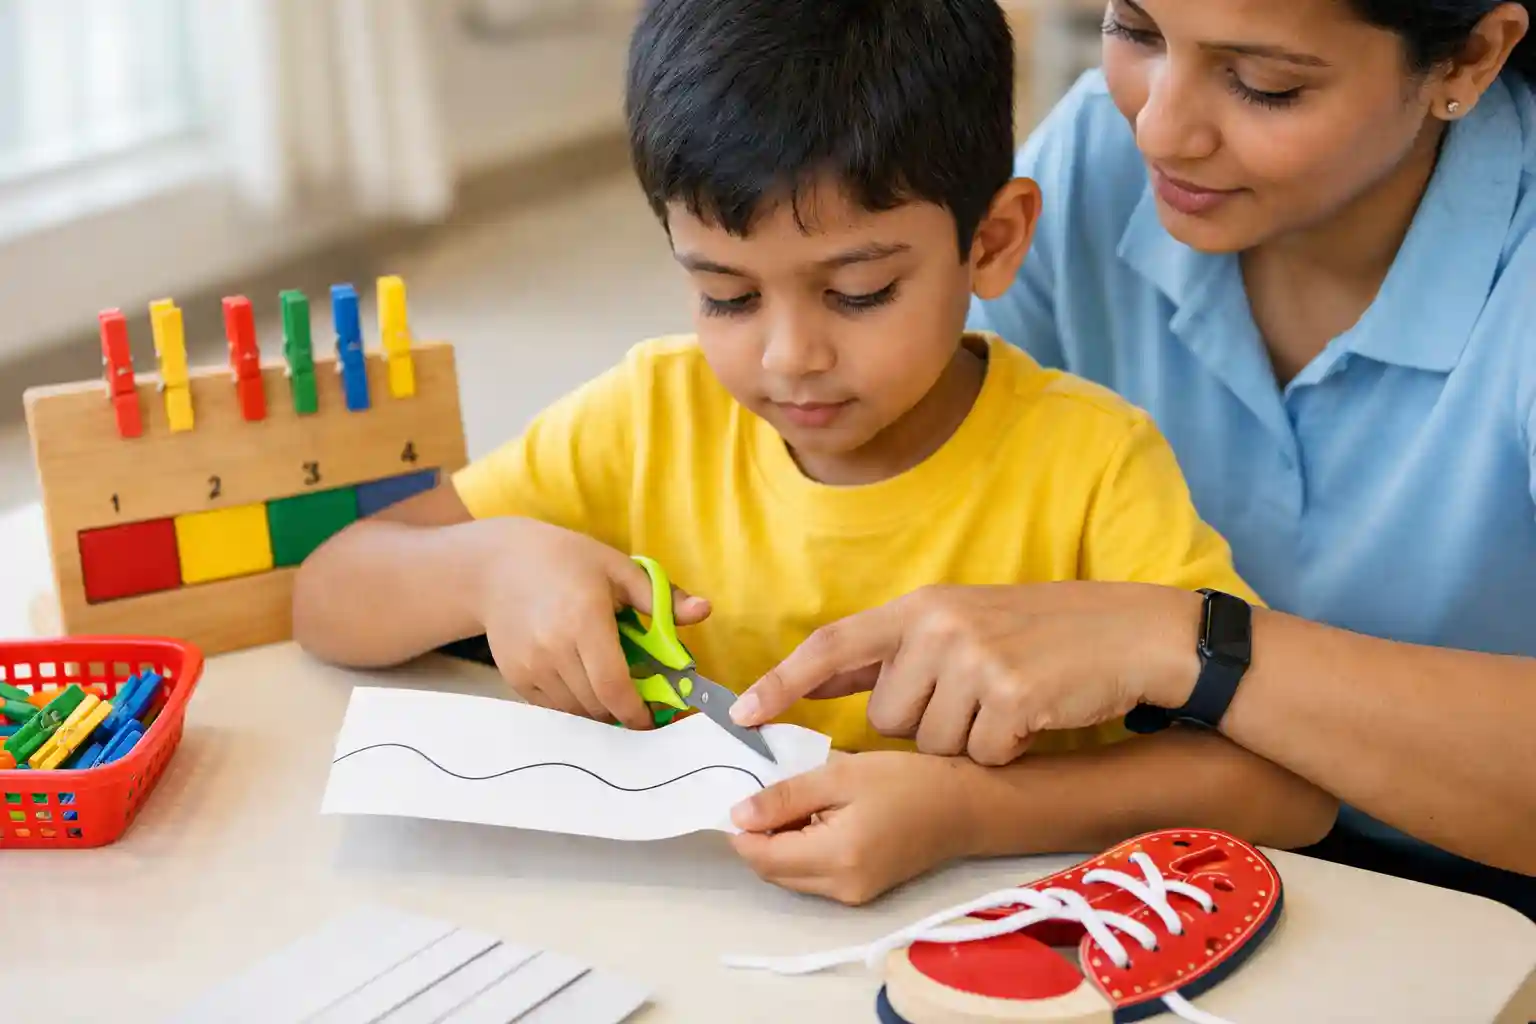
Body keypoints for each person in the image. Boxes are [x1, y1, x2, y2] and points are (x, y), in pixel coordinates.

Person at [291, 0, 1339, 905]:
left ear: (994, 240)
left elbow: (1286, 788)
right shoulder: (649, 413)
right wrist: (491, 565)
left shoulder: (1093, 464)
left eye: (859, 292)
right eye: (726, 295)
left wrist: (976, 812)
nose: (792, 357)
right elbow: (331, 591)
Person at [731, 0, 1536, 916]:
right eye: (1136, 30)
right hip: (1178, 835)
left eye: (1264, 84)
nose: (1160, 125)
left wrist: (1183, 642)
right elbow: (890, 448)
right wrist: (532, 547)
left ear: (1468, 59)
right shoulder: (1103, 158)